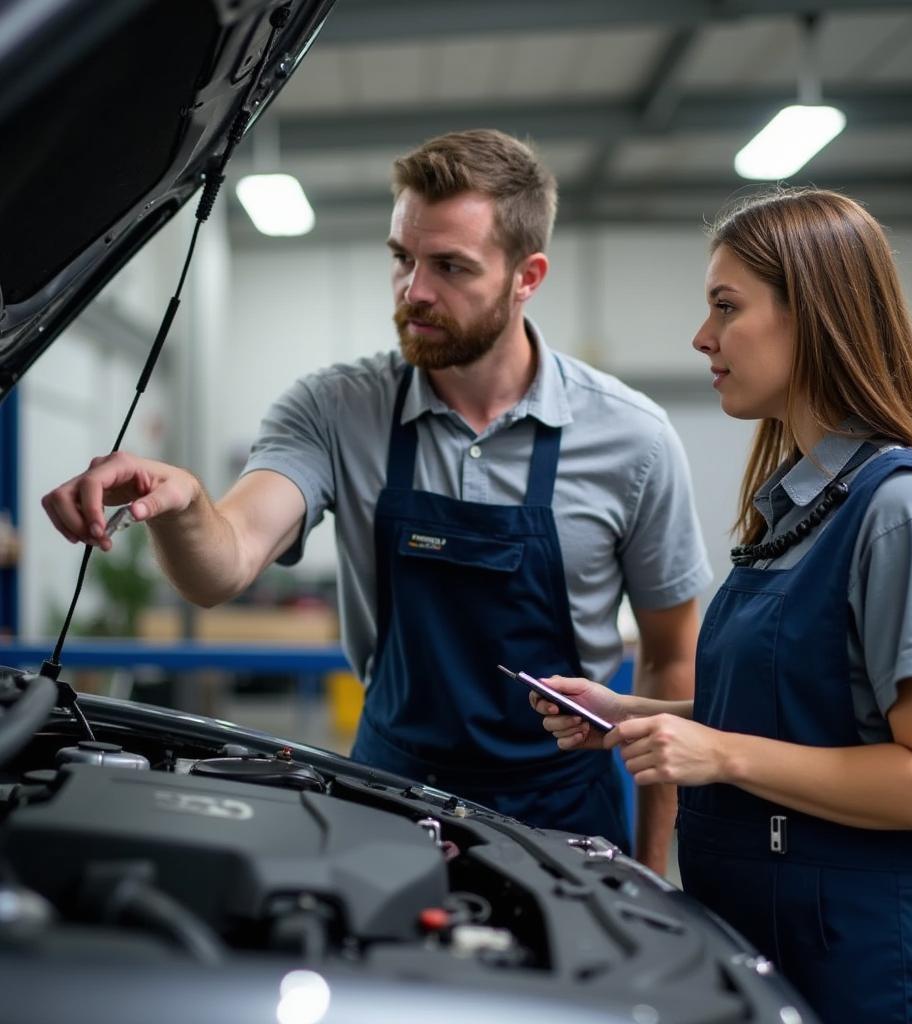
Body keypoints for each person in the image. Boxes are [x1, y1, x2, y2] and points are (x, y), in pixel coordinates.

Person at [41, 129, 712, 870]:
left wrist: (652, 866)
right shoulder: (334, 409)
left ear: (528, 276)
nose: (414, 291)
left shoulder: (633, 439)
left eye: (450, 266)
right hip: (391, 797)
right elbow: (220, 567)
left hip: (564, 815)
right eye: (402, 258)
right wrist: (188, 501)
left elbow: (669, 659)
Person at [531, 188, 912, 1022]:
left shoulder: (903, 514)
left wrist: (718, 754)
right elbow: (805, 711)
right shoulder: (799, 509)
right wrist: (633, 711)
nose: (702, 337)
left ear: (812, 316)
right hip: (782, 939)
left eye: (726, 307)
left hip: (873, 967)